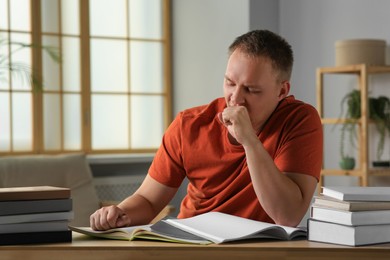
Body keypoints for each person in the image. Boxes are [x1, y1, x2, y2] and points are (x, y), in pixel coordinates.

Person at [90, 30, 323, 230]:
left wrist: (249, 141)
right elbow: (148, 200)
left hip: (258, 249)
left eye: (251, 90)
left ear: (282, 91)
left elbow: (288, 216)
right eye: (230, 83)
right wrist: (119, 213)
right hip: (193, 242)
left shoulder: (299, 121)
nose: (235, 99)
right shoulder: (189, 124)